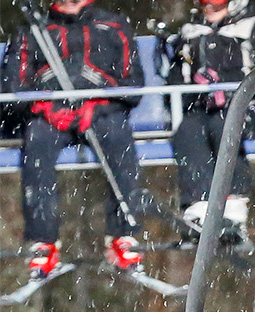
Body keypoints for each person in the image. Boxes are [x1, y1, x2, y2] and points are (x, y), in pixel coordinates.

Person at [0, 0, 146, 278]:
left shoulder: (114, 25)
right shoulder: (32, 30)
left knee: (118, 137)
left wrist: (98, 105)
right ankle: (43, 241)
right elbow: (13, 87)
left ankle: (123, 234)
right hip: (49, 115)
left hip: (102, 112)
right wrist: (44, 107)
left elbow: (133, 84)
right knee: (37, 142)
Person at [165, 0, 255, 244]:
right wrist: (197, 84)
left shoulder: (251, 28)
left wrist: (230, 87)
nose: (209, 6)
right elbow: (176, 74)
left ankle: (233, 203)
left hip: (248, 108)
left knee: (225, 126)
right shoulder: (191, 32)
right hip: (203, 107)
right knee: (188, 129)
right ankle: (199, 203)